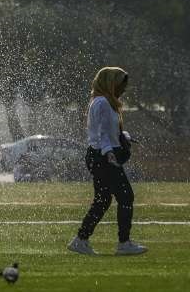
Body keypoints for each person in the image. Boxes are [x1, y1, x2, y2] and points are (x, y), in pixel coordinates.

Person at [69, 67, 146, 256]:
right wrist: (110, 153)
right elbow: (102, 134)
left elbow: (109, 132)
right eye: (121, 84)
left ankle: (80, 240)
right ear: (111, 83)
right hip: (103, 157)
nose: (124, 89)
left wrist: (124, 136)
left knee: (103, 200)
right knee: (126, 196)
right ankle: (124, 243)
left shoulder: (107, 102)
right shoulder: (103, 102)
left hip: (101, 155)